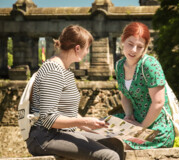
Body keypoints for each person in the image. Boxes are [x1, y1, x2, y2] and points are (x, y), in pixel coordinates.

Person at [26, 25, 124, 160]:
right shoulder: (52, 71)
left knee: (116, 145)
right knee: (109, 156)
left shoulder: (66, 71)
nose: (87, 52)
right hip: (45, 137)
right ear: (77, 48)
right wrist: (85, 121)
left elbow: (69, 112)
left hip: (61, 133)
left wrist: (98, 127)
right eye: (87, 48)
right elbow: (48, 119)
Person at [114, 22, 175, 150]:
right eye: (130, 44)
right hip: (135, 122)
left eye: (139, 46)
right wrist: (129, 115)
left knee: (113, 143)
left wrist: (140, 127)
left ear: (145, 47)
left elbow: (158, 102)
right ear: (122, 40)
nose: (133, 50)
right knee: (96, 128)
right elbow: (124, 95)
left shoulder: (149, 65)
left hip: (156, 129)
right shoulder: (119, 65)